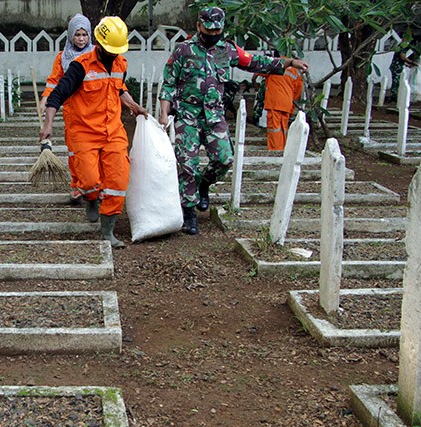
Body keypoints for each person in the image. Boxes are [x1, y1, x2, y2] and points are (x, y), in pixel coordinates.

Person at [158, 6, 309, 235]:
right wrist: (163, 113)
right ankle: (188, 213)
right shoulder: (183, 50)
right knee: (187, 163)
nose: (212, 35)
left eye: (217, 31)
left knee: (224, 158)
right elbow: (168, 83)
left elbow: (257, 62)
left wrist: (288, 62)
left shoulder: (228, 50)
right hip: (187, 116)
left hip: (214, 116)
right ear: (199, 26)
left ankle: (204, 185)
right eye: (208, 30)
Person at [40, 16, 149, 249]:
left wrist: (133, 106)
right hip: (84, 131)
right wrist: (48, 125)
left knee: (118, 181)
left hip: (113, 131)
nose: (112, 54)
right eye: (109, 50)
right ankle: (90, 198)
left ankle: (107, 232)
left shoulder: (121, 63)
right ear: (98, 43)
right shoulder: (80, 66)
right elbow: (57, 95)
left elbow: (118, 88)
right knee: (89, 180)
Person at [39, 14, 95, 203]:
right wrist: (45, 100)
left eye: (84, 35)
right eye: (77, 35)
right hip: (73, 110)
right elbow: (54, 82)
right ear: (71, 35)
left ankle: (94, 186)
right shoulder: (62, 58)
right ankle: (77, 184)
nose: (81, 39)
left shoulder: (96, 54)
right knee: (74, 150)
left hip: (94, 110)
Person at [256, 52, 303, 150]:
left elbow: (258, 70)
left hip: (274, 102)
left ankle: (276, 150)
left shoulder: (274, 65)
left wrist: (254, 80)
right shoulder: (295, 70)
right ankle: (283, 148)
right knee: (283, 127)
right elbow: (298, 89)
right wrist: (292, 105)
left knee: (274, 128)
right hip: (287, 103)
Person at [389, 28, 419, 101]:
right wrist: (412, 62)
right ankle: (394, 97)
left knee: (396, 81)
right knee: (397, 81)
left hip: (395, 65)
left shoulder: (400, 45)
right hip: (397, 66)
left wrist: (408, 64)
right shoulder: (404, 46)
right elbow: (403, 57)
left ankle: (394, 96)